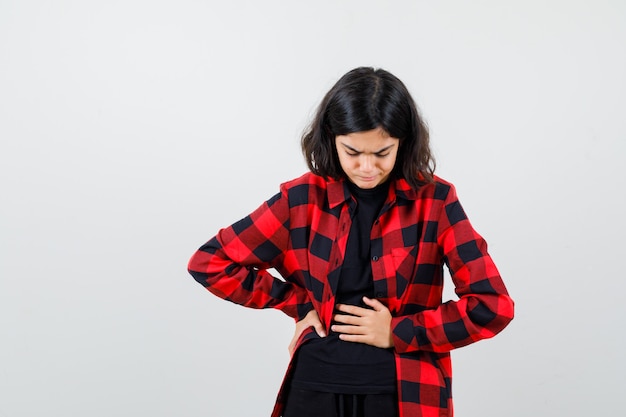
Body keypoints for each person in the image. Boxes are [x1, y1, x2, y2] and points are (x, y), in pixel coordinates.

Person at [187, 67, 514, 417]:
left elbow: (492, 306)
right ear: (331, 138)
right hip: (314, 387)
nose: (367, 167)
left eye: (382, 153)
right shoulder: (301, 199)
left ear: (403, 142)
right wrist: (297, 304)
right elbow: (210, 262)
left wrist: (398, 331)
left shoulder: (436, 201)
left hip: (403, 395)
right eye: (353, 152)